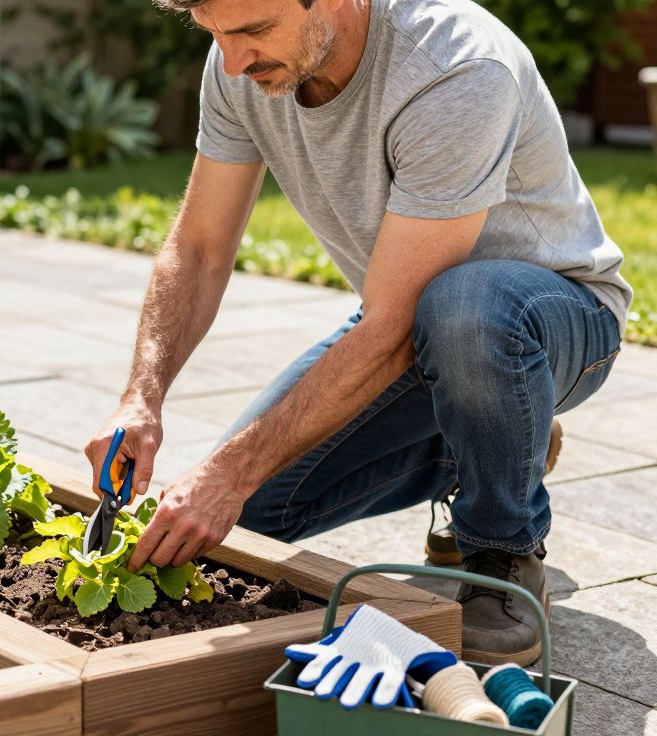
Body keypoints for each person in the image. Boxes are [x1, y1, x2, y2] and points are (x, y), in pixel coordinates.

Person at [86, 0, 630, 667]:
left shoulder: (454, 67)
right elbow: (198, 248)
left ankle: (503, 551)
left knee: (461, 307)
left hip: (552, 317)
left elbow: (394, 328)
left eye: (254, 32)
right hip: (406, 317)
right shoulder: (237, 63)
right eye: (215, 35)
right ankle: (495, 439)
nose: (232, 60)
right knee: (250, 520)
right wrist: (142, 395)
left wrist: (225, 470)